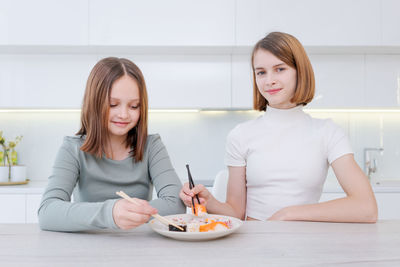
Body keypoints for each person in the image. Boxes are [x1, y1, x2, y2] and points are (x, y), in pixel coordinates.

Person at [180, 32, 378, 223]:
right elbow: (235, 212)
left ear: (299, 71)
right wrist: (210, 201)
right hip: (253, 244)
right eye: (261, 72)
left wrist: (288, 213)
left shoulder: (328, 133)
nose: (269, 80)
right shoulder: (240, 135)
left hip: (304, 244)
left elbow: (366, 208)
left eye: (280, 69)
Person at [39, 57, 185, 232]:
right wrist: (110, 213)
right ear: (94, 103)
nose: (123, 114)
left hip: (139, 248)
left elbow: (175, 205)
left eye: (134, 106)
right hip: (88, 248)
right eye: (113, 104)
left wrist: (130, 214)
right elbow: (47, 212)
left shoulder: (152, 146)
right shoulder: (73, 149)